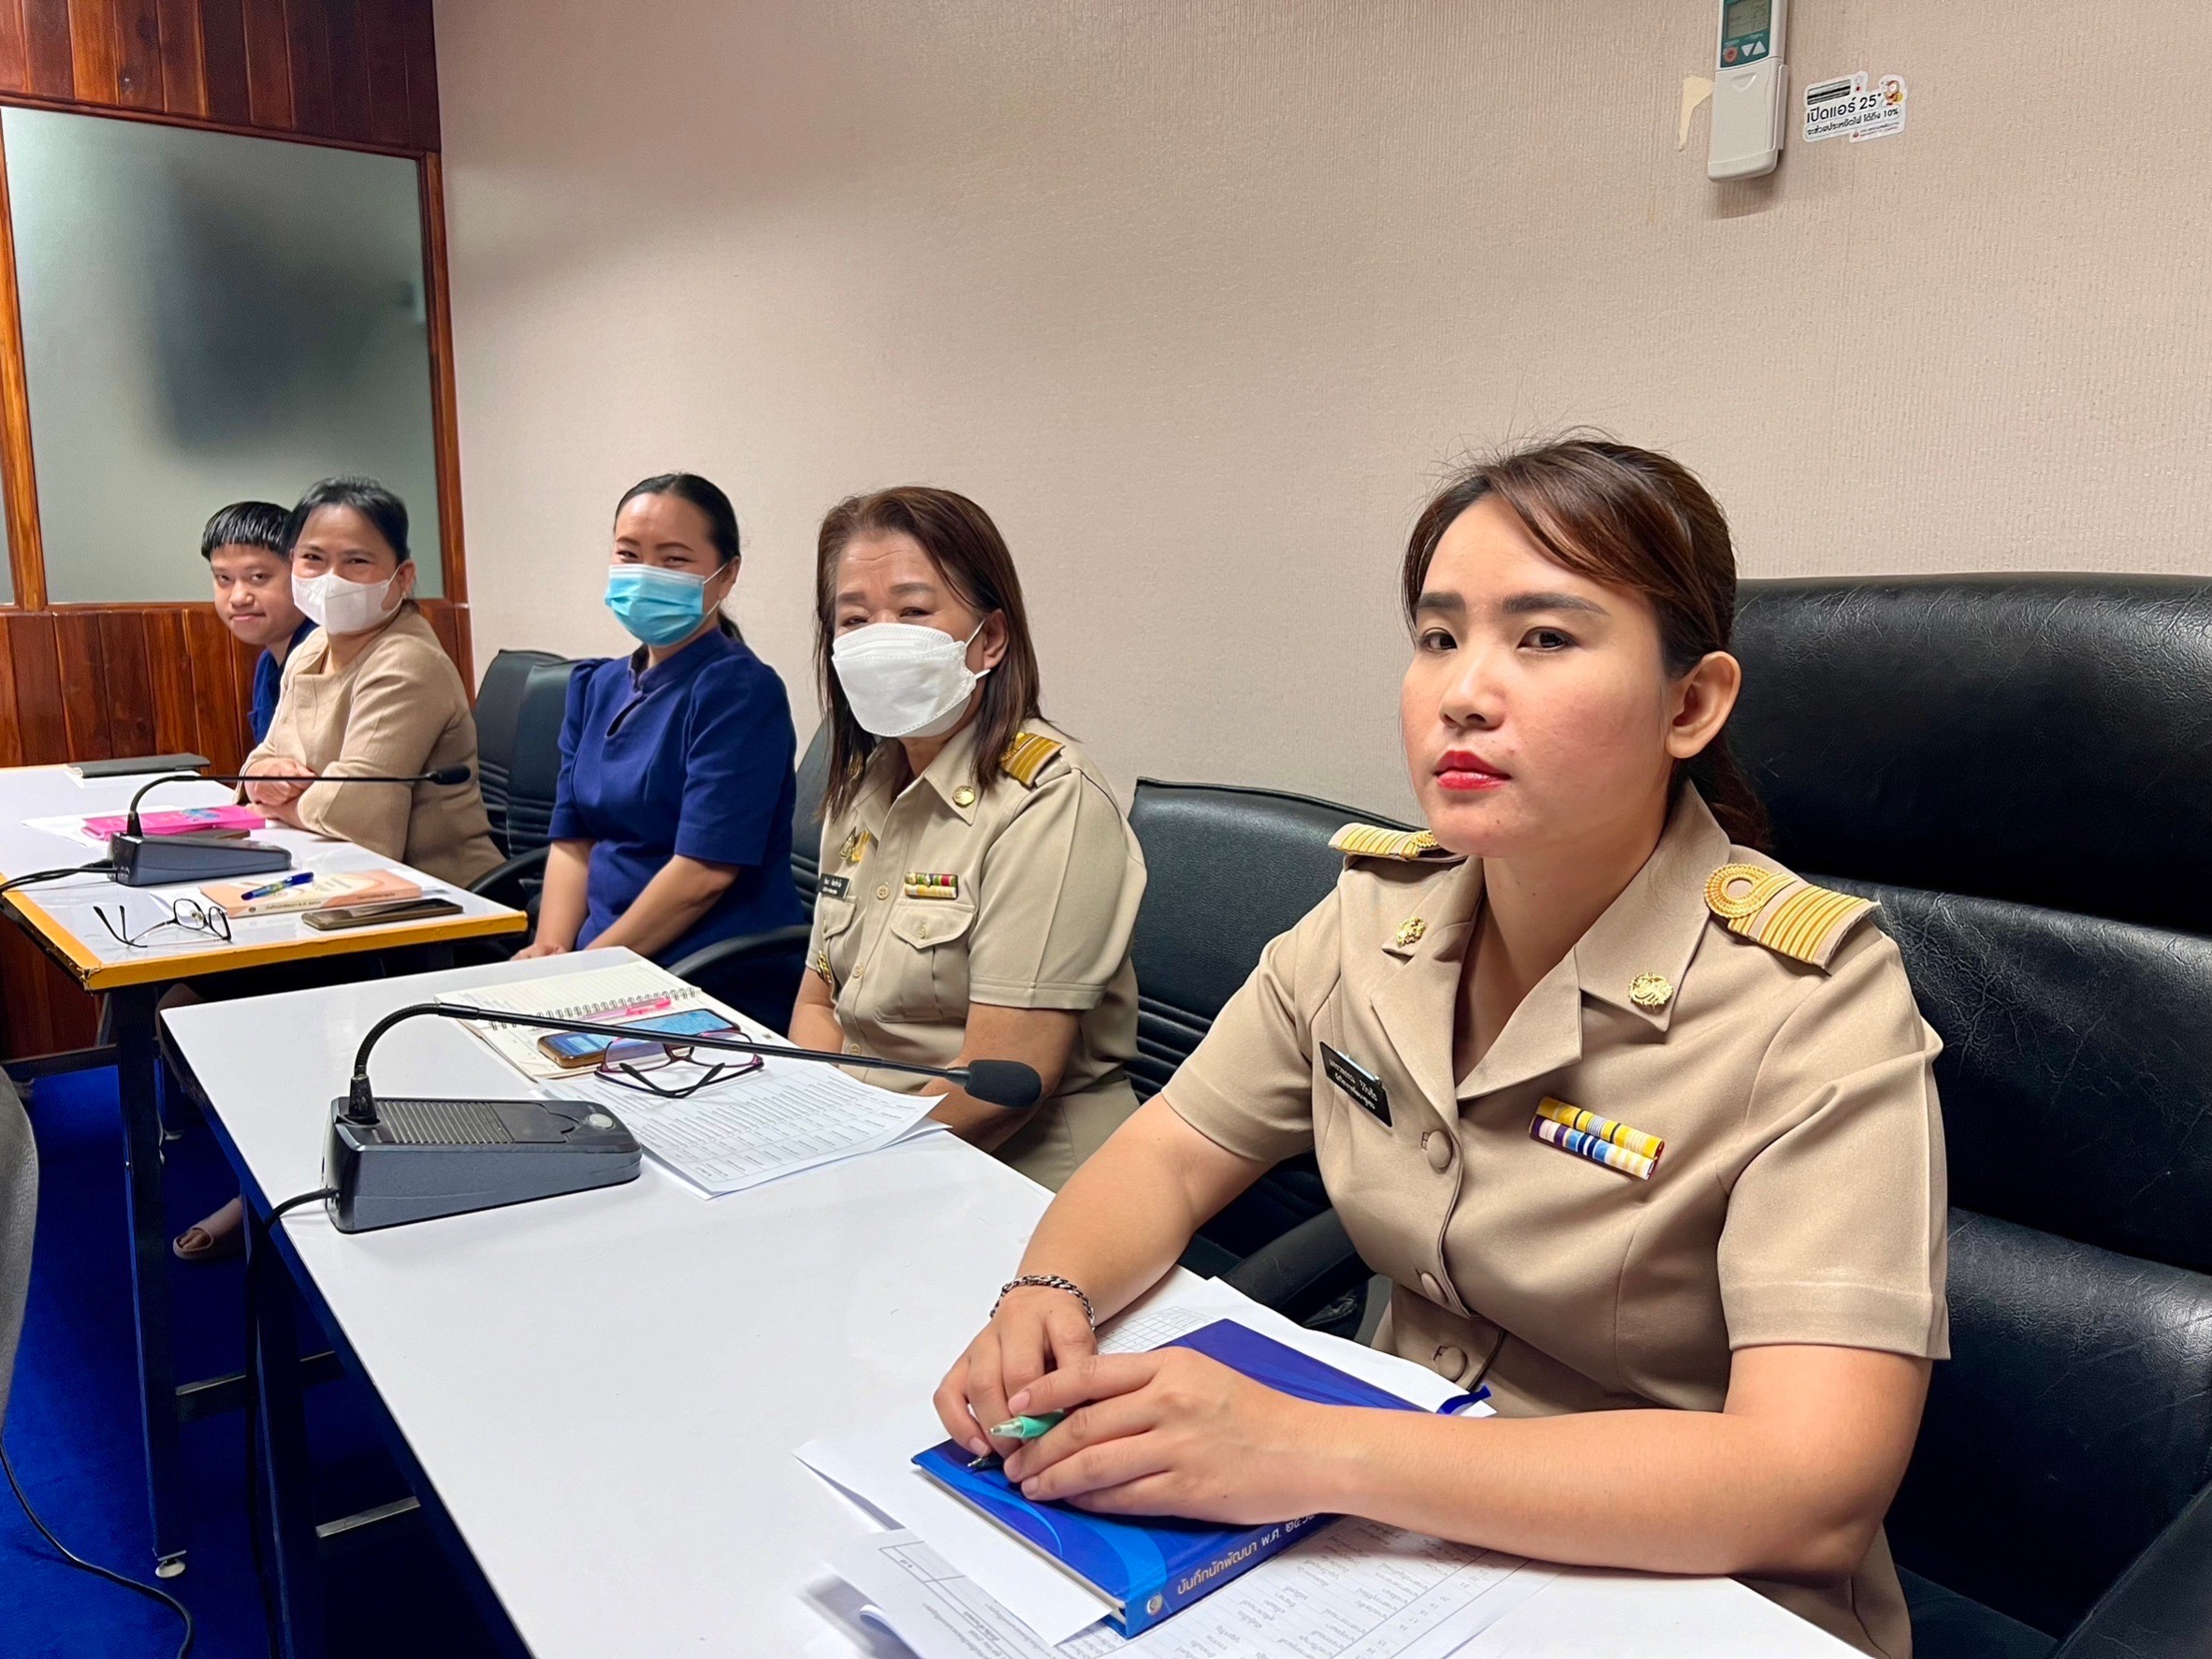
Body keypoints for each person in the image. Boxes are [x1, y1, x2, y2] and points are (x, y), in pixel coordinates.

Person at [933, 440, 1946, 1657]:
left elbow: (1809, 1484)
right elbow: (1170, 1153)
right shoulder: (1374, 915)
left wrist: (1306, 1451)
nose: (1466, 690)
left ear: (1691, 704)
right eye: (1438, 636)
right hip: (1371, 1543)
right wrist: (1047, 1294)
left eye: (1546, 638)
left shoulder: (1811, 996)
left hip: (1679, 1591)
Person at [789, 487, 1146, 1191]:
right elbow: (817, 1003)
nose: (879, 639)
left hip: (1012, 1176)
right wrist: (816, 1125)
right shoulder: (863, 786)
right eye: (854, 620)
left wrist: (845, 1165)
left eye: (914, 612)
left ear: (988, 638)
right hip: (864, 1151)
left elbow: (1002, 1083)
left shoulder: (1049, 800)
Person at [514, 473, 805, 1028]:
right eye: (628, 555)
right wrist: (551, 950)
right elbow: (574, 841)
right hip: (601, 962)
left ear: (727, 576)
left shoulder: (739, 690)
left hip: (708, 973)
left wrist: (587, 972)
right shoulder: (594, 685)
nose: (645, 575)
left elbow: (702, 875)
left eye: (673, 560)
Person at [240, 477, 501, 887]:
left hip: (440, 893)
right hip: (338, 873)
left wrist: (278, 804)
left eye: (357, 561)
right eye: (313, 558)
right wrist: (261, 779)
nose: (331, 578)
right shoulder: (313, 647)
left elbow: (358, 810)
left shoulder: (407, 662)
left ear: (402, 576)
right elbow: (261, 761)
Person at [200, 499, 314, 742]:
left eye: (258, 576)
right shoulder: (267, 663)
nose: (238, 597)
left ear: (302, 575)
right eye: (224, 578)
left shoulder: (328, 654)